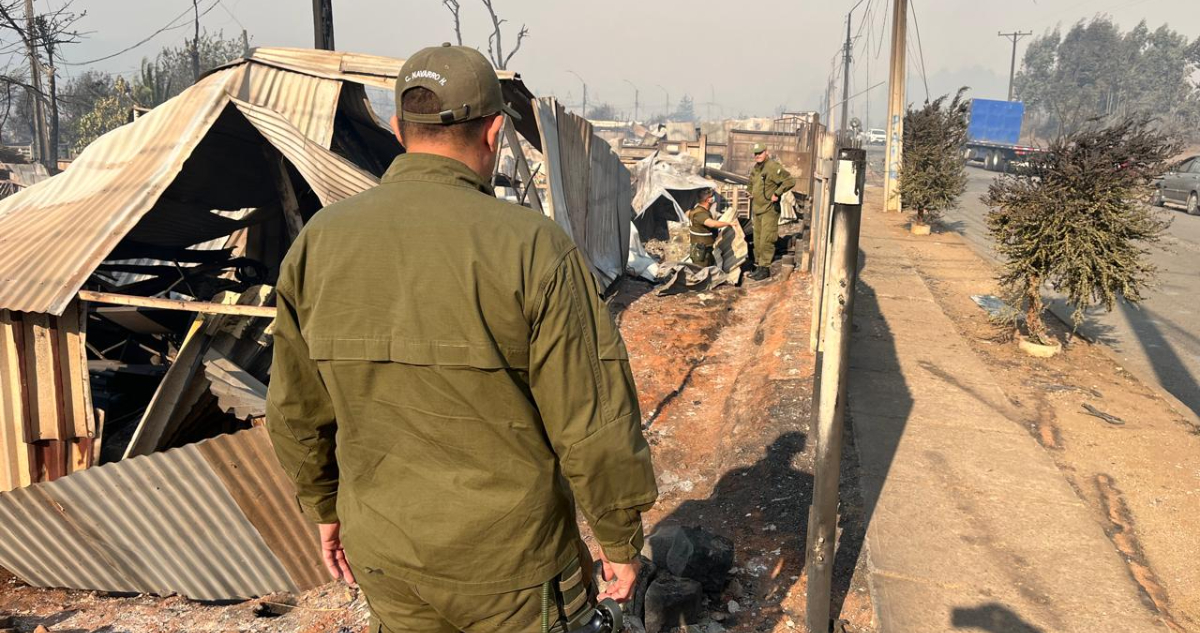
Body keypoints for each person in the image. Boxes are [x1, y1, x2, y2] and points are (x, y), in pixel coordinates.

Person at [266, 43, 658, 633]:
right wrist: (618, 538)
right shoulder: (533, 247)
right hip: (513, 568)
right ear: (496, 132)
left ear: (398, 128)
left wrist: (324, 507)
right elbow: (592, 419)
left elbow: (295, 410)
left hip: (387, 558)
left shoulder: (319, 242)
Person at [747, 143, 796, 280]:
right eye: (756, 154)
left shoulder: (772, 167)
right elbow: (751, 182)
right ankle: (758, 266)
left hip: (769, 210)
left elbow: (789, 180)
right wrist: (749, 192)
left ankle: (765, 268)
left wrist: (777, 193)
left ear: (766, 152)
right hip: (757, 209)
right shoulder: (756, 169)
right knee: (757, 241)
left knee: (766, 240)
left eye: (760, 153)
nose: (757, 156)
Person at [687, 188, 736, 267]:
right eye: (712, 196)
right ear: (707, 199)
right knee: (702, 272)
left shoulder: (697, 210)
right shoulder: (700, 213)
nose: (714, 198)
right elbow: (712, 224)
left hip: (705, 249)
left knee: (709, 268)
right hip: (701, 250)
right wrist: (728, 223)